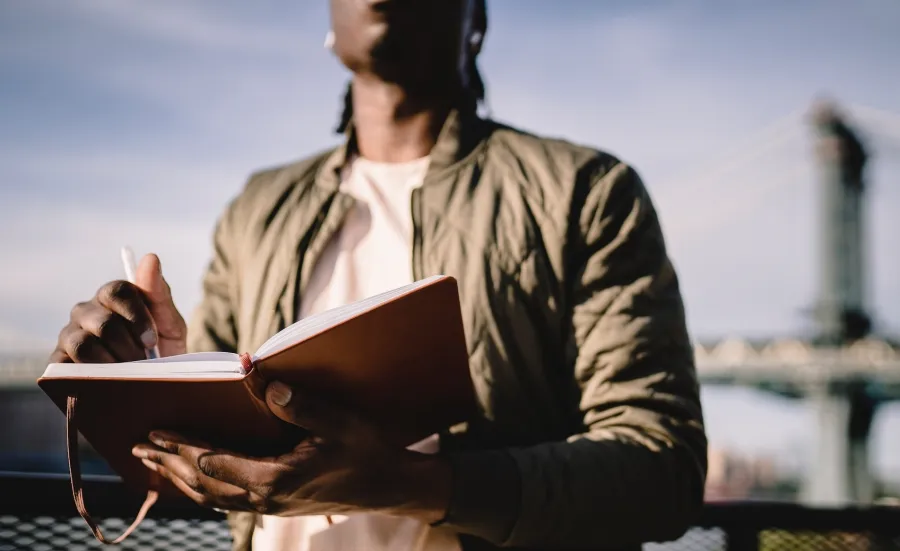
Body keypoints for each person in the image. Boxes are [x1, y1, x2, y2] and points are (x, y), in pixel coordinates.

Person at [50, 0, 707, 549]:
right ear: (329, 23)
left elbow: (662, 468)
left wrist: (402, 481)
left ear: (475, 17)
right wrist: (140, 378)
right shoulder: (258, 208)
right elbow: (201, 468)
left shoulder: (584, 193)